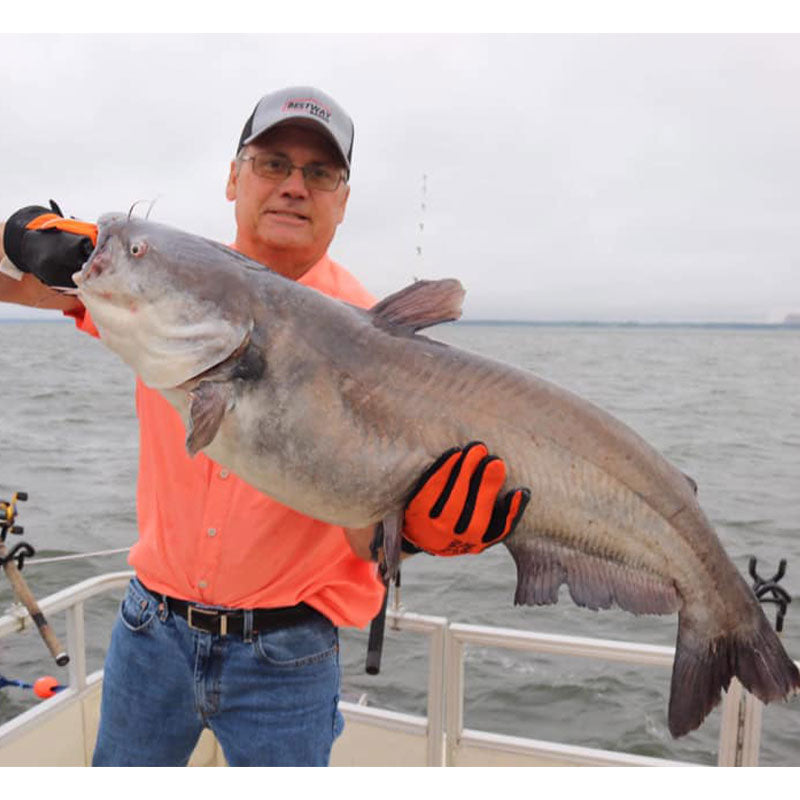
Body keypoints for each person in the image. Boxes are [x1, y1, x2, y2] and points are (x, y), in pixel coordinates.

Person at [0, 86, 529, 766]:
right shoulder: (153, 278)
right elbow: (14, 278)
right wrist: (22, 236)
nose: (293, 187)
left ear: (342, 199)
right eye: (273, 163)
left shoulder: (381, 342)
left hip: (288, 654)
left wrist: (414, 528)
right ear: (233, 177)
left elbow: (361, 534)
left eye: (319, 173)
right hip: (148, 631)